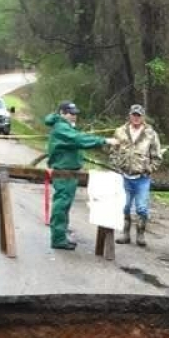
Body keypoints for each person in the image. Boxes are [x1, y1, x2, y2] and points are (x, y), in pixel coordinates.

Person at [43, 101, 117, 250]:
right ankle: (58, 239)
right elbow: (79, 140)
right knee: (61, 205)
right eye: (71, 113)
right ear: (62, 113)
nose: (74, 116)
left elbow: (76, 140)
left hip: (69, 171)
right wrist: (105, 140)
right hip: (63, 172)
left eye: (75, 114)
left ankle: (60, 236)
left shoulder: (66, 127)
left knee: (64, 205)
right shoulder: (61, 128)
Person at [111, 103, 163, 247]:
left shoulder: (150, 133)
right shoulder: (120, 131)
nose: (136, 118)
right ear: (130, 115)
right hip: (124, 175)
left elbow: (157, 156)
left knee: (141, 208)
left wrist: (149, 169)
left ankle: (140, 233)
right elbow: (113, 151)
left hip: (142, 178)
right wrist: (116, 166)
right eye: (134, 115)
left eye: (138, 115)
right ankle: (125, 233)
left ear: (143, 117)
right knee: (125, 206)